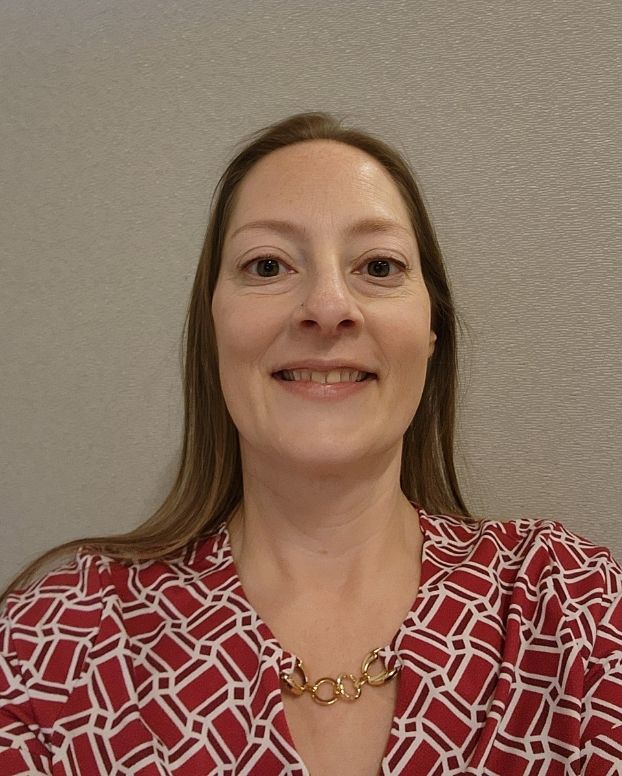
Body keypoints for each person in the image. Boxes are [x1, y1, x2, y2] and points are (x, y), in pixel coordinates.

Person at [0, 111, 620, 776]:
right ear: (212, 330)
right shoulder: (54, 647)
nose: (328, 306)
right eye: (267, 265)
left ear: (431, 333)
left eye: (378, 266)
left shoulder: (571, 609)